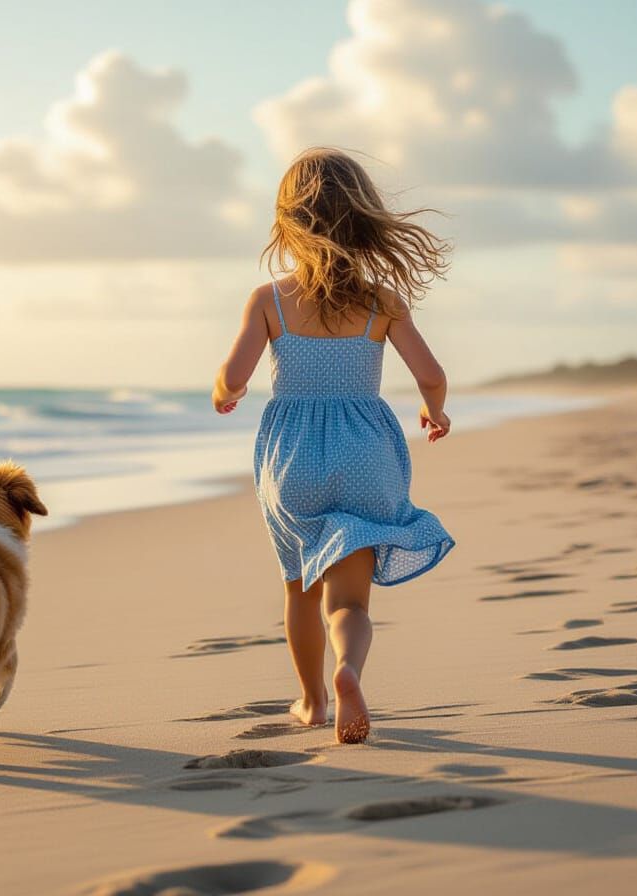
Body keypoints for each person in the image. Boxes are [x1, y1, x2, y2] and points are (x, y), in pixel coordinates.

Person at [212, 147, 456, 743]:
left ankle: (312, 699)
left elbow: (234, 375)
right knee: (349, 602)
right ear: (365, 220)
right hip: (366, 455)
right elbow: (430, 373)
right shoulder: (382, 303)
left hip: (294, 457)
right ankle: (350, 668)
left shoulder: (269, 301)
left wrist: (226, 392)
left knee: (300, 583)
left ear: (287, 222)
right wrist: (434, 409)